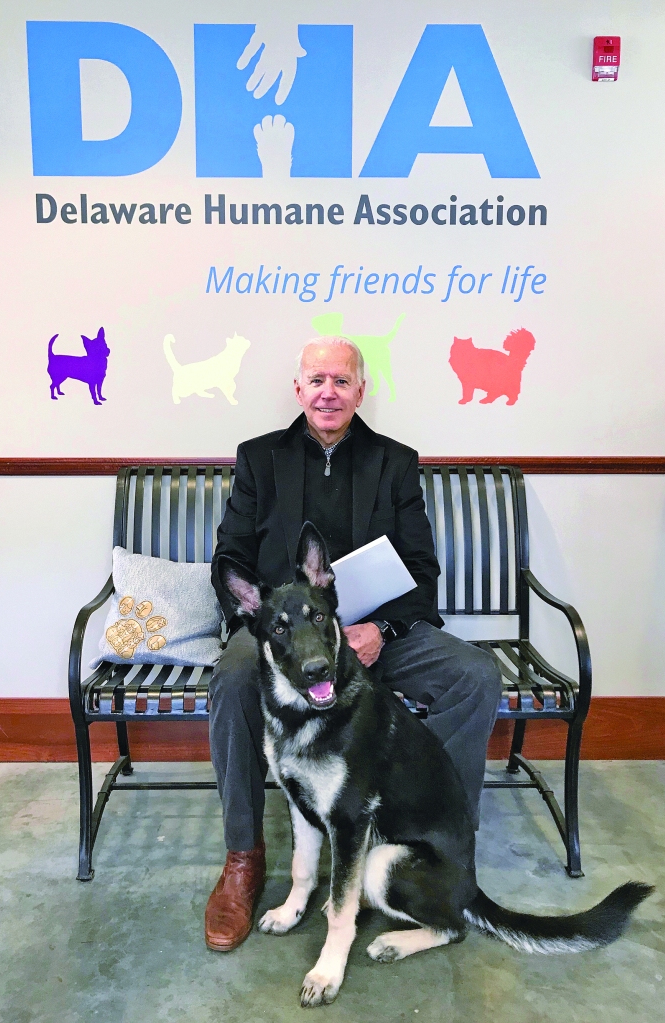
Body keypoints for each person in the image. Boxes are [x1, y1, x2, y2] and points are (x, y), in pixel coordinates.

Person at [204, 336, 502, 951]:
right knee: (234, 676)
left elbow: (421, 570)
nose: (328, 392)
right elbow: (230, 557)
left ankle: (434, 850)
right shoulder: (259, 460)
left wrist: (382, 630)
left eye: (341, 380)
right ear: (299, 390)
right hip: (288, 637)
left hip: (376, 633)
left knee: (473, 675)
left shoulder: (394, 462)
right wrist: (262, 622)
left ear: (361, 390)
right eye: (317, 380)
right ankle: (243, 857)